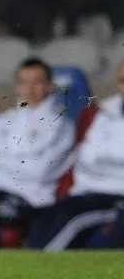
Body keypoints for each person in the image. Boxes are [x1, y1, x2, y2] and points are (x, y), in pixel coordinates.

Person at [0, 58, 76, 249]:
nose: (30, 88)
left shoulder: (61, 125)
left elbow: (40, 171)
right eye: (23, 82)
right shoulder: (5, 119)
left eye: (36, 82)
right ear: (17, 87)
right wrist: (17, 162)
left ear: (48, 85)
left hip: (32, 200)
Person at [30, 60, 124, 250]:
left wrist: (103, 161)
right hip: (87, 190)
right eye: (122, 80)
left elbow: (98, 157)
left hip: (116, 195)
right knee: (44, 219)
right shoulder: (103, 113)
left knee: (71, 220)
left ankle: (37, 270)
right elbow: (88, 156)